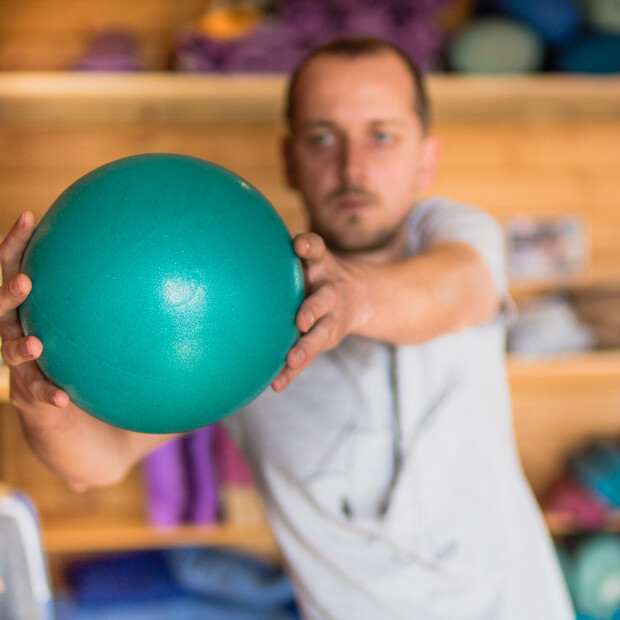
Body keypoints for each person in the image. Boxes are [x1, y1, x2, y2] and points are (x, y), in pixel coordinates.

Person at [0, 37, 573, 619]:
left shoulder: (451, 233)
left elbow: (460, 291)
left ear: (426, 157)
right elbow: (94, 463)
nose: (353, 167)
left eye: (382, 136)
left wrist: (358, 297)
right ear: (289, 159)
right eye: (323, 137)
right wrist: (38, 394)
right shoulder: (242, 307)